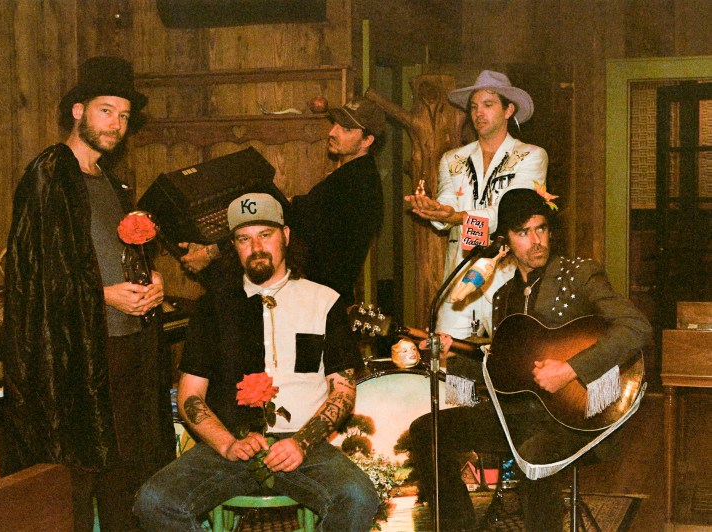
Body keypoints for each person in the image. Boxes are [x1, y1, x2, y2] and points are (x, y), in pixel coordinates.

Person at [408, 188, 652, 530]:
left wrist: (570, 369)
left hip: (575, 418)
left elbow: (636, 327)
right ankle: (457, 525)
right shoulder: (503, 297)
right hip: (516, 415)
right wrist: (452, 356)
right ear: (505, 242)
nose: (536, 241)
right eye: (523, 233)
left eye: (541, 229)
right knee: (428, 431)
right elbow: (501, 372)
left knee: (532, 455)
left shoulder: (578, 274)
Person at [134, 193, 380, 530]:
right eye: (244, 239)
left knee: (357, 496)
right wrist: (227, 444)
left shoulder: (324, 301)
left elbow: (343, 392)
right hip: (231, 443)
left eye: (266, 234)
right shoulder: (212, 307)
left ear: (286, 236)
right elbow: (190, 394)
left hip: (304, 445)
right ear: (234, 246)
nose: (256, 247)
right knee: (154, 501)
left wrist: (301, 443)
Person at [2, 56, 176, 530]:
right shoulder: (51, 173)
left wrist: (151, 279)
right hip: (81, 354)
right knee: (81, 475)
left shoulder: (113, 183)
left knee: (129, 470)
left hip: (128, 346)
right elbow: (31, 274)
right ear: (77, 111)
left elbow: (114, 253)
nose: (116, 124)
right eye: (105, 111)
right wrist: (103, 296)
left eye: (123, 116)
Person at [180, 97, 385, 305]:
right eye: (335, 124)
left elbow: (283, 220)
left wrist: (208, 252)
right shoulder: (353, 176)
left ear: (368, 140)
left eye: (347, 129)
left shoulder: (354, 183)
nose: (332, 132)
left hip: (317, 302)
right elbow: (302, 209)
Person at [404, 70, 548, 340]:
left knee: (510, 358)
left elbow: (511, 214)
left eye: (488, 105)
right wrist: (434, 210)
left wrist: (456, 216)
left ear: (509, 110)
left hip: (508, 274)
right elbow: (446, 205)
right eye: (473, 106)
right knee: (448, 358)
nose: (478, 113)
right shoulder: (452, 158)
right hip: (459, 273)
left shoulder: (531, 155)